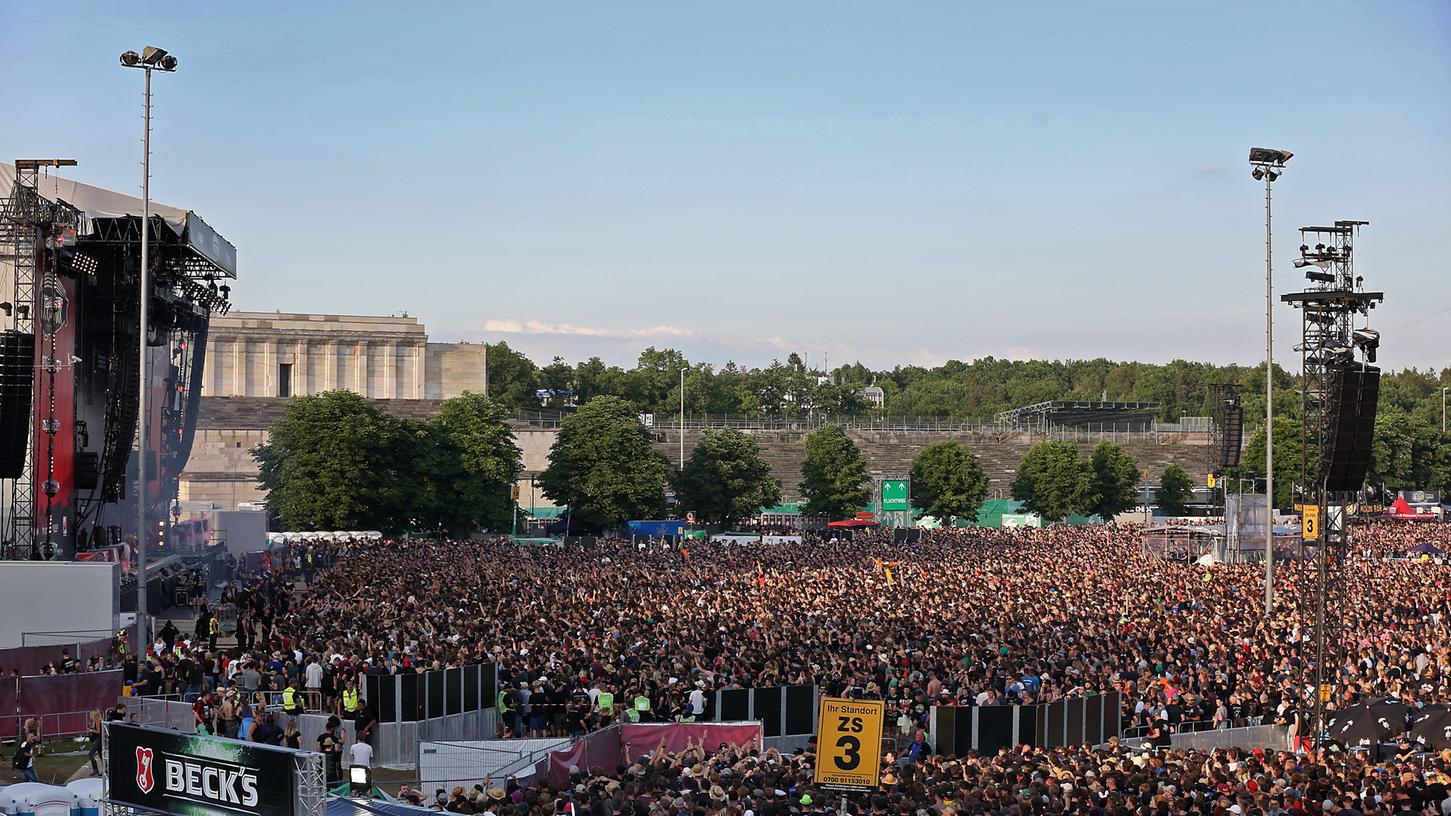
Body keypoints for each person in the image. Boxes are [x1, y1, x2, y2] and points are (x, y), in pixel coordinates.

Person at [86, 710, 103, 776]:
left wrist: (90, 730)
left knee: (90, 754)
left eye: (91, 715)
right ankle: (105, 770)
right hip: (97, 739)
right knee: (101, 755)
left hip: (98, 739)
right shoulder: (94, 722)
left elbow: (98, 731)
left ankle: (95, 770)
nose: (90, 716)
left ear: (94, 715)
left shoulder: (97, 721)